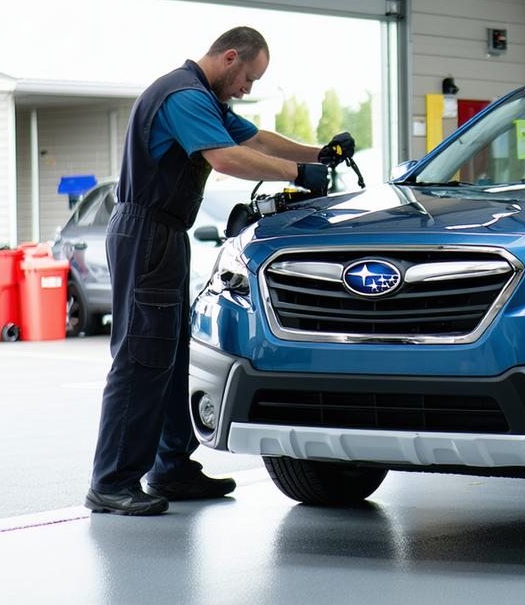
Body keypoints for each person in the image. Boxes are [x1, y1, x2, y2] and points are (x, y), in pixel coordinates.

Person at [85, 27, 355, 515]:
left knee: (169, 355)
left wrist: (319, 154)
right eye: (248, 77)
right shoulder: (183, 96)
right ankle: (112, 481)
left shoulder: (202, 98)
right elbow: (227, 158)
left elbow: (255, 139)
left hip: (164, 234)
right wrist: (296, 175)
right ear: (230, 57)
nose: (247, 88)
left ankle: (171, 468)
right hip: (146, 231)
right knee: (143, 356)